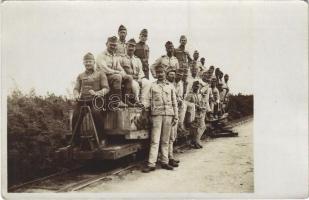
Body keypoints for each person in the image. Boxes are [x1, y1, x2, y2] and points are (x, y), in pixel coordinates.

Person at [142, 65, 178, 173]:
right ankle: (151, 164)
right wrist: (146, 112)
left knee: (165, 140)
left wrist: (176, 116)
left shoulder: (170, 86)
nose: (160, 74)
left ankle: (164, 162)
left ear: (165, 73)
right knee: (155, 140)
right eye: (158, 72)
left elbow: (174, 102)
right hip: (156, 115)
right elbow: (147, 100)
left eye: (162, 72)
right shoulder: (152, 86)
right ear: (156, 74)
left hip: (168, 115)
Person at [72, 52, 110, 144]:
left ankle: (102, 138)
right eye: (86, 62)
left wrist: (97, 93)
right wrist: (76, 95)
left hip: (97, 100)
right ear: (83, 63)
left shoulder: (101, 74)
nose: (88, 63)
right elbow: (76, 89)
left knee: (95, 113)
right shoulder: (80, 76)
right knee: (76, 115)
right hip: (83, 100)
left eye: (90, 61)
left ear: (94, 62)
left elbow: (106, 88)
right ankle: (75, 141)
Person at [96, 36, 131, 109]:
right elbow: (105, 69)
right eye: (111, 44)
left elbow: (119, 67)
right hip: (102, 78)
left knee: (129, 78)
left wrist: (124, 74)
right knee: (117, 77)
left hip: (111, 76)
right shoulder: (101, 55)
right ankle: (116, 101)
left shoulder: (115, 56)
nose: (113, 47)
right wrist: (117, 72)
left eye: (114, 45)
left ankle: (126, 100)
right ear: (106, 44)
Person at [119, 38, 151, 107]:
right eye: (129, 46)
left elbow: (141, 72)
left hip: (137, 78)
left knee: (147, 83)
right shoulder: (121, 58)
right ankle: (137, 101)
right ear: (126, 46)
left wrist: (139, 78)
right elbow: (120, 70)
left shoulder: (137, 59)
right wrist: (128, 77)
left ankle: (144, 102)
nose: (131, 48)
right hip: (127, 80)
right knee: (134, 84)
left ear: (135, 48)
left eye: (133, 46)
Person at [185, 81, 206, 149]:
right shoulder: (189, 94)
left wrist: (201, 106)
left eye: (198, 86)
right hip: (192, 113)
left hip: (199, 113)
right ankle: (196, 142)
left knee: (202, 127)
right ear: (193, 86)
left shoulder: (198, 94)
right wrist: (196, 106)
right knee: (195, 128)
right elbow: (186, 103)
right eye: (196, 86)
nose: (197, 87)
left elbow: (201, 102)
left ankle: (196, 141)